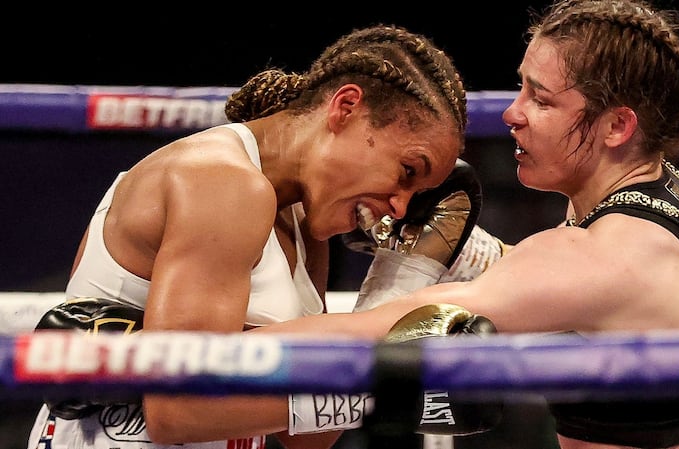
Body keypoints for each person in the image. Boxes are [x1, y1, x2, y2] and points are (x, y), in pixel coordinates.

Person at [260, 1, 679, 448]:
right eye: (522, 87)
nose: (512, 113)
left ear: (617, 127)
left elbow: (393, 331)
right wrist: (466, 250)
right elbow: (577, 296)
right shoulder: (659, 190)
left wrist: (202, 356)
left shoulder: (600, 256)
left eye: (542, 99)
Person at [26, 24, 470, 449]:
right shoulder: (221, 181)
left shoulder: (303, 222)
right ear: (346, 107)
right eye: (407, 172)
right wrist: (390, 376)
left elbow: (309, 436)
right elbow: (178, 410)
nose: (400, 207)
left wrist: (399, 277)